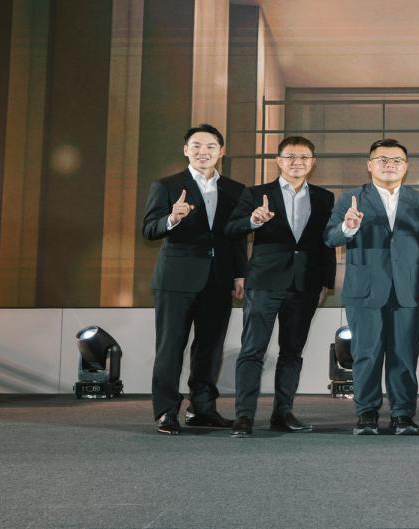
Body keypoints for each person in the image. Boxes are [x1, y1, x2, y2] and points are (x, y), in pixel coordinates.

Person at [324, 139, 419, 435]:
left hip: (408, 289)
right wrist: (348, 227)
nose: (390, 165)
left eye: (397, 160)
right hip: (364, 290)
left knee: (404, 355)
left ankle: (403, 414)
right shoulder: (350, 198)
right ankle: (366, 414)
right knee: (366, 354)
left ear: (406, 166)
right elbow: (330, 238)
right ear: (370, 165)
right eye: (383, 160)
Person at [224, 136, 336, 438]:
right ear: (278, 160)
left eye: (304, 157)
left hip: (306, 284)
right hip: (264, 282)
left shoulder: (324, 197)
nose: (297, 162)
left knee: (292, 352)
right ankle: (244, 416)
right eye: (290, 157)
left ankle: (283, 413)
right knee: (253, 350)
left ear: (312, 162)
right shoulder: (256, 194)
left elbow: (327, 242)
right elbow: (231, 229)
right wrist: (252, 220)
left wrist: (326, 282)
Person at [141, 124, 247, 435]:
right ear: (186, 150)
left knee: (210, 348)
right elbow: (149, 229)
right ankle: (166, 412)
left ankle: (202, 408)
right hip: (175, 280)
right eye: (197, 146)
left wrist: (240, 273)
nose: (204, 152)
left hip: (219, 279)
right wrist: (172, 218)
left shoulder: (236, 190)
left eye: (211, 146)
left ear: (221, 151)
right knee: (170, 347)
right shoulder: (166, 185)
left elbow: (236, 236)